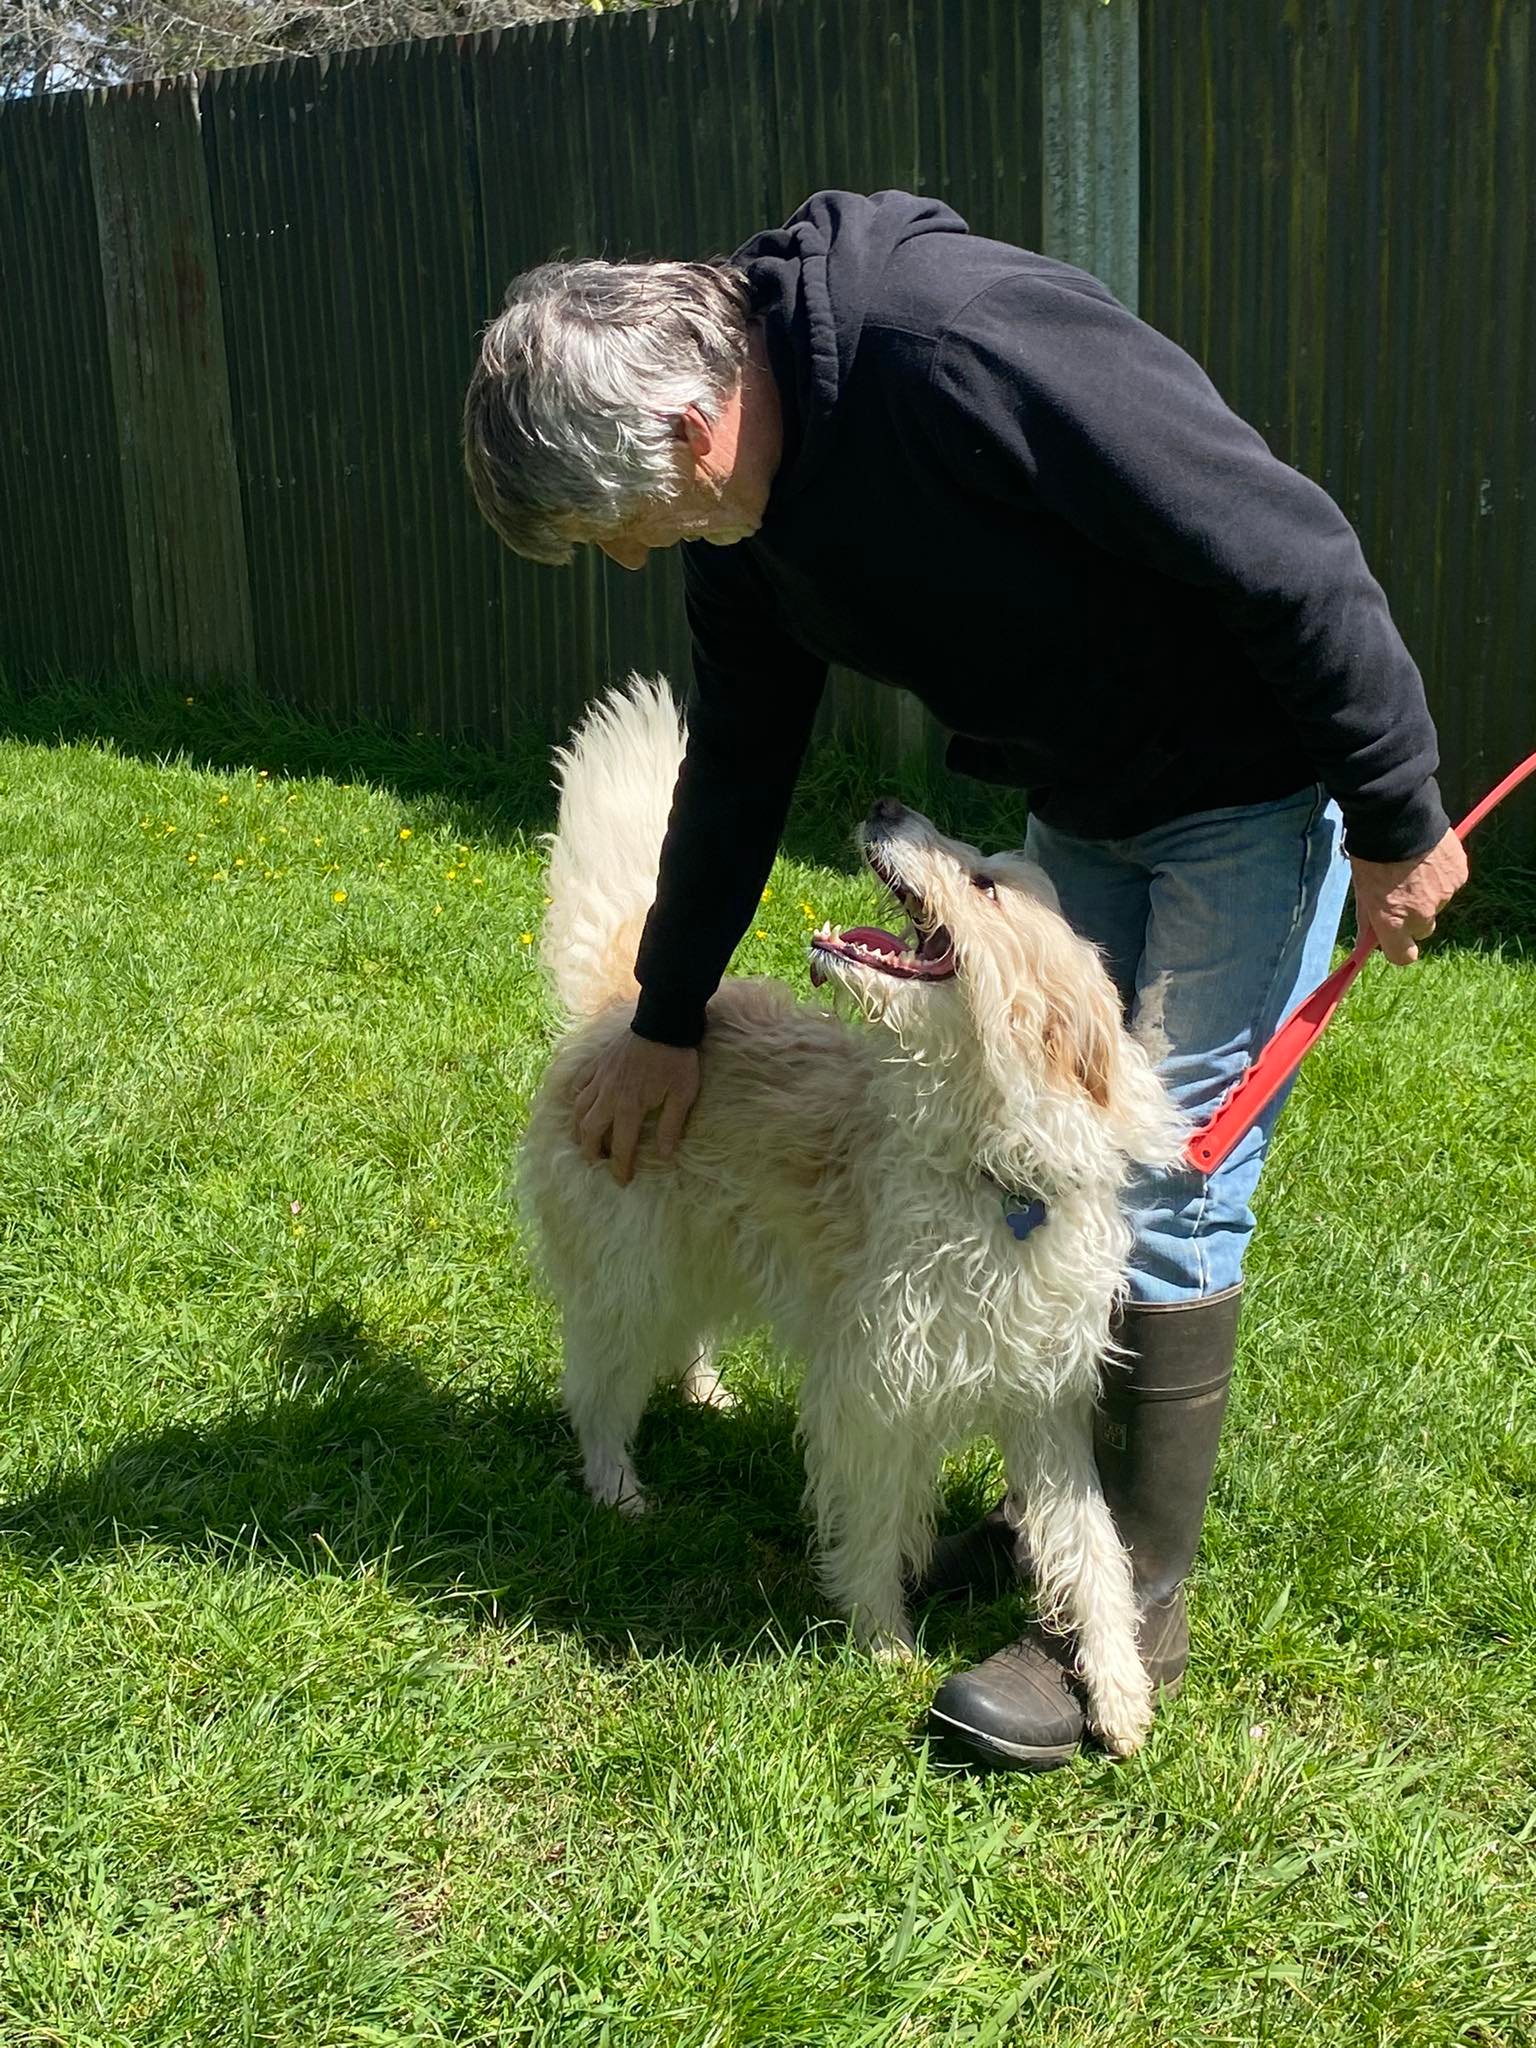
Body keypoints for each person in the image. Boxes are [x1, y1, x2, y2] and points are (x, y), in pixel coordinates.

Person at [462, 190, 1468, 1771]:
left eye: (617, 527)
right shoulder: (748, 518)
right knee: (1024, 1145)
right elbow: (735, 765)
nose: (624, 559)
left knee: (1169, 1168)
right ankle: (1039, 1494)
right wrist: (663, 1022)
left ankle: (1124, 1611)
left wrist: (1399, 811)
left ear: (689, 426)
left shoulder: (950, 346)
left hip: (1246, 788)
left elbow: (1283, 536)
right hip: (1085, 799)